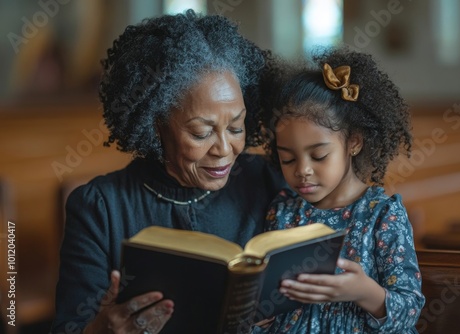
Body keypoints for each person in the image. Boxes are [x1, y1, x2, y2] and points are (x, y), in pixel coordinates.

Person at [50, 10, 286, 334]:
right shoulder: (100, 208)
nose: (224, 149)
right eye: (201, 133)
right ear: (156, 125)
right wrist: (100, 330)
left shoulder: (267, 180)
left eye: (236, 127)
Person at [253, 46, 425, 333]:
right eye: (288, 158)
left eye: (318, 156)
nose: (302, 170)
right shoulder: (283, 211)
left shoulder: (381, 215)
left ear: (354, 142)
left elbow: (409, 311)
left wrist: (363, 291)